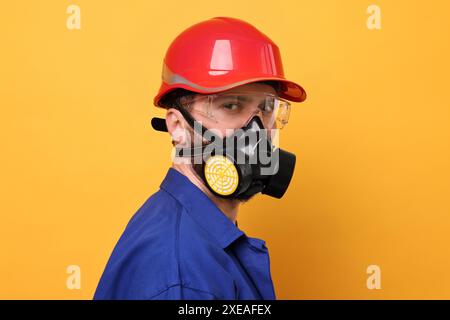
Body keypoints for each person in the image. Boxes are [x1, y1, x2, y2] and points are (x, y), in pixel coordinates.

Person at [94, 16, 306, 300]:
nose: (256, 130)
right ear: (178, 127)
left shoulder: (197, 235)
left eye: (266, 109)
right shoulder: (182, 275)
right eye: (231, 105)